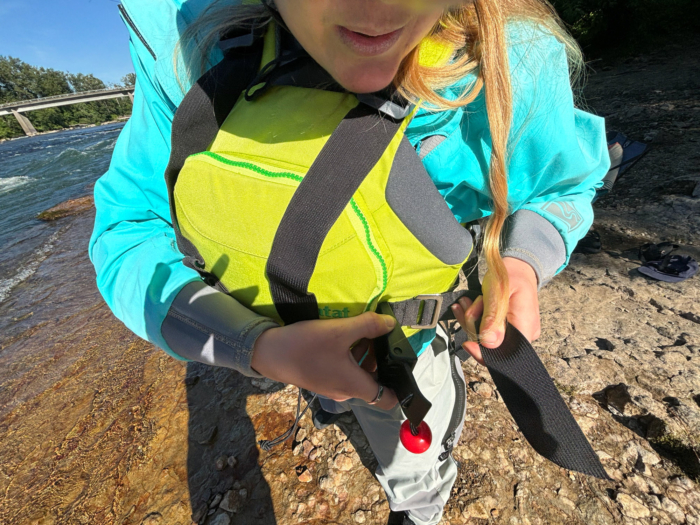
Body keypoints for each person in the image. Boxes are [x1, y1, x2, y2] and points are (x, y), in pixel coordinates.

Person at [90, 1, 610, 524]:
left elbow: (559, 187)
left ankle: (419, 506)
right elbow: (131, 231)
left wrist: (522, 262)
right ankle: (334, 404)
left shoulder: (511, 58)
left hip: (407, 349)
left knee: (410, 455)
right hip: (288, 336)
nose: (375, 9)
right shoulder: (183, 42)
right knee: (340, 399)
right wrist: (259, 347)